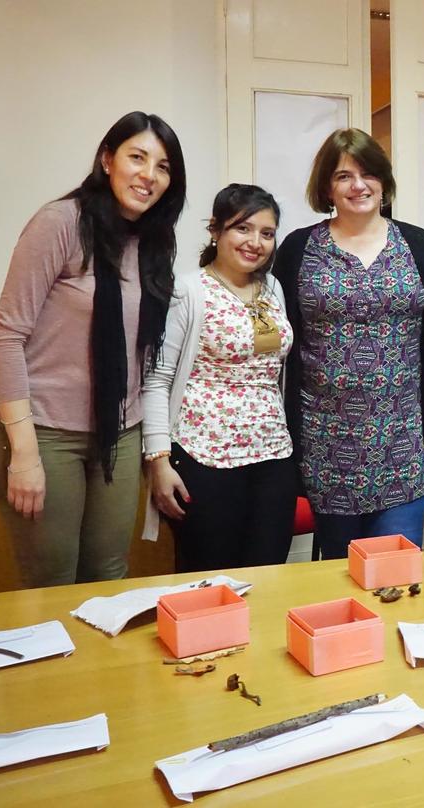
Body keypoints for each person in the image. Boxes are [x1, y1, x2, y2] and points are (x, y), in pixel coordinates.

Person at [0, 112, 186, 588]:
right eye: (137, 157)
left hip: (119, 431)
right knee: (52, 581)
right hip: (45, 433)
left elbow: (144, 354)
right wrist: (24, 455)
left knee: (108, 577)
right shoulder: (61, 223)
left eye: (163, 166)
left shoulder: (153, 241)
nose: (148, 175)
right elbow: (6, 334)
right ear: (107, 159)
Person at [273, 128, 424, 556]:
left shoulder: (418, 245)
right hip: (326, 443)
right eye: (343, 176)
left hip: (402, 440)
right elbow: (271, 326)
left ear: (384, 181)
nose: (358, 185)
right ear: (326, 188)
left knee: (396, 569)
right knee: (339, 570)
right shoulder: (300, 249)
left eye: (369, 173)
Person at [141, 185, 296, 572]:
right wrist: (159, 462)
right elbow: (157, 380)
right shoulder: (188, 291)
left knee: (269, 574)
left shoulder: (271, 289)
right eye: (243, 229)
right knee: (209, 578)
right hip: (204, 456)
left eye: (266, 233)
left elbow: (273, 367)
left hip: (272, 454)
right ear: (215, 230)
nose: (255, 242)